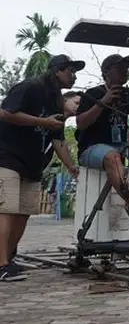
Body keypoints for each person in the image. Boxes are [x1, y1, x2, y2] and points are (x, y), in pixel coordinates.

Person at [0, 54, 83, 282]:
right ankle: (1, 264)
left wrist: (71, 166)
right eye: (70, 71)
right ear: (57, 71)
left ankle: (8, 259)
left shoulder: (56, 100)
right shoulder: (30, 87)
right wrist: (41, 122)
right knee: (6, 208)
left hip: (32, 162)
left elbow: (58, 139)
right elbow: (5, 112)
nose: (74, 76)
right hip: (6, 156)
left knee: (24, 211)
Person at [75, 54, 129, 229]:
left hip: (122, 147)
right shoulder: (93, 94)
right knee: (112, 156)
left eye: (126, 68)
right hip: (92, 147)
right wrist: (103, 102)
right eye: (119, 68)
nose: (125, 72)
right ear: (106, 72)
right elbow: (80, 123)